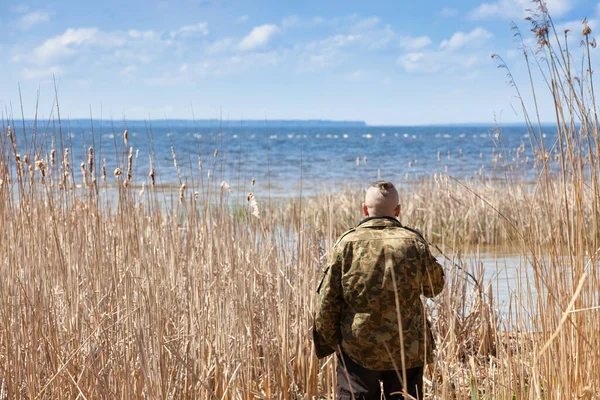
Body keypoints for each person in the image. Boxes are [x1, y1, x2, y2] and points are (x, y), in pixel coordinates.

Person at [314, 180, 445, 399]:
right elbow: (434, 287)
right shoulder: (414, 242)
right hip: (407, 348)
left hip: (358, 347)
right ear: (398, 210)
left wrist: (332, 342)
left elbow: (326, 302)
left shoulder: (347, 244)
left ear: (364, 209)